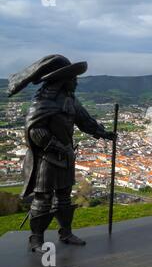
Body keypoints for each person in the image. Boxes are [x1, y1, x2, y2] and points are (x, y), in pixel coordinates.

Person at [8, 55, 115, 253]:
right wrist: (57, 146)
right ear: (63, 80)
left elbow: (86, 122)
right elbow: (35, 131)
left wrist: (104, 133)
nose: (76, 82)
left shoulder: (71, 101)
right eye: (73, 78)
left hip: (66, 157)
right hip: (45, 160)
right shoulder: (43, 102)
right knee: (43, 199)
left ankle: (65, 232)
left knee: (64, 196)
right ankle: (36, 239)